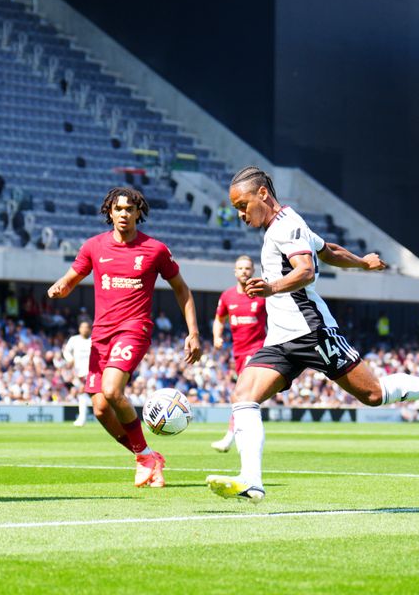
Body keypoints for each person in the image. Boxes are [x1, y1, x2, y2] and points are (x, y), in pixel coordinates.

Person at [205, 167, 419, 503]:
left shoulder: (286, 227)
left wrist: (272, 287)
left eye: (242, 204)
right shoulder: (289, 222)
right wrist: (363, 263)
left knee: (374, 395)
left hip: (312, 331)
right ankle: (251, 480)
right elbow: (328, 250)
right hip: (281, 338)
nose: (239, 213)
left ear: (262, 194)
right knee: (243, 396)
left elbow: (306, 271)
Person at [48, 186, 202, 488]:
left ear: (137, 213)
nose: (123, 214)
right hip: (101, 335)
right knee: (101, 408)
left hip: (134, 329)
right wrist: (61, 287)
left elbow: (182, 290)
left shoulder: (155, 249)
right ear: (109, 211)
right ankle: (147, 455)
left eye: (129, 209)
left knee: (112, 390)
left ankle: (144, 458)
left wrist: (193, 332)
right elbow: (72, 276)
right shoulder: (93, 246)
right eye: (118, 209)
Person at [211, 255, 267, 452]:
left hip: (257, 350)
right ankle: (245, 435)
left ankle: (230, 437)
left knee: (240, 394)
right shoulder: (227, 297)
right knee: (246, 397)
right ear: (235, 272)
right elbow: (219, 319)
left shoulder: (262, 295)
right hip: (239, 352)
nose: (244, 271)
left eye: (247, 268)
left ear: (253, 271)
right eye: (240, 268)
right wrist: (217, 336)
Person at [62, 320, 93, 427]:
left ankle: (83, 417)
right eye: (82, 327)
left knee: (83, 393)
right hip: (78, 372)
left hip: (92, 372)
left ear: (90, 329)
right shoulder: (74, 339)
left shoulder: (94, 340)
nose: (84, 329)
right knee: (82, 394)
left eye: (86, 327)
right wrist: (70, 359)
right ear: (79, 329)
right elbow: (66, 351)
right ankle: (83, 417)